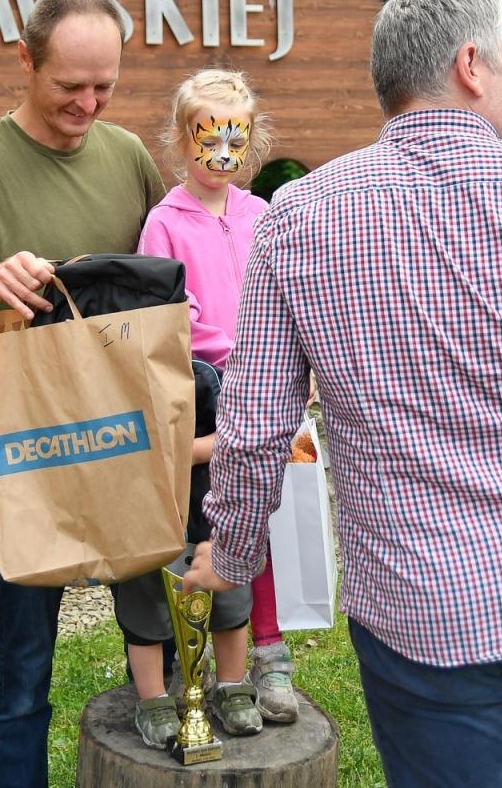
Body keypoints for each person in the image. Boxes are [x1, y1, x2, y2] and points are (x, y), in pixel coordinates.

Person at [183, 0, 502, 787]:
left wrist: (229, 555)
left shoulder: (300, 217)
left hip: (422, 599)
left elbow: (255, 423)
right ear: (472, 64)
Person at [0, 0, 165, 785]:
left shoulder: (128, 157)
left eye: (104, 87)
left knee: (163, 635)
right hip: (27, 446)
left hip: (130, 429)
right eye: (68, 87)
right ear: (25, 61)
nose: (87, 104)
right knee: (21, 669)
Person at [136, 69, 299, 726]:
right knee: (190, 528)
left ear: (252, 140)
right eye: (208, 139)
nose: (221, 155)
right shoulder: (163, 223)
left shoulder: (263, 216)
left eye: (236, 139)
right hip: (198, 390)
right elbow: (161, 317)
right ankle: (180, 661)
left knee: (249, 520)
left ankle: (259, 657)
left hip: (262, 382)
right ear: (182, 139)